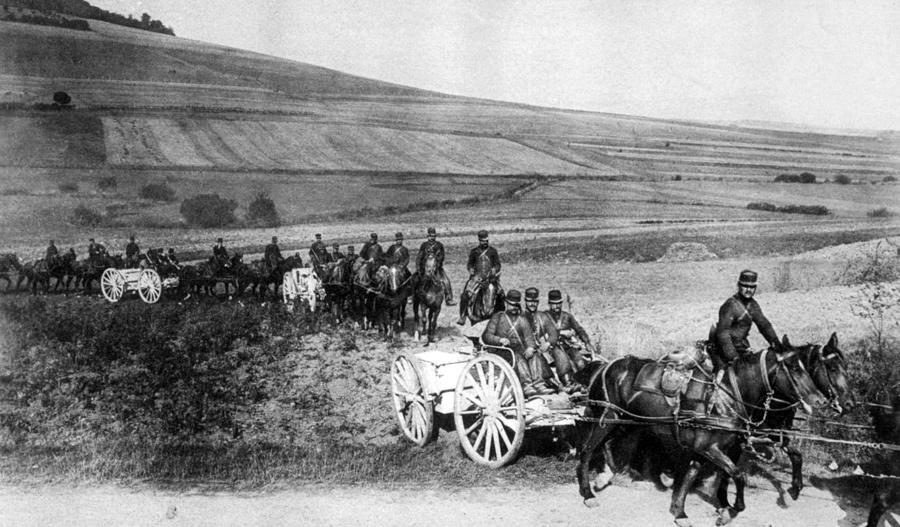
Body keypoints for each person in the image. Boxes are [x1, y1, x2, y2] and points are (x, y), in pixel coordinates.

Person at [710, 270, 782, 383]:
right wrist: (733, 357)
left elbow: (764, 325)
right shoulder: (730, 305)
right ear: (739, 285)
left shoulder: (753, 305)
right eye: (745, 286)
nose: (749, 290)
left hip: (741, 348)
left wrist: (777, 345)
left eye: (752, 287)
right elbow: (723, 334)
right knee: (723, 382)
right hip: (723, 351)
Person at [481, 290, 554, 398]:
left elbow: (529, 338)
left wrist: (530, 347)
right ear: (506, 303)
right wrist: (499, 340)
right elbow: (486, 336)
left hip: (518, 350)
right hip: (501, 351)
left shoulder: (522, 320)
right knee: (518, 357)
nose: (514, 307)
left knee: (535, 355)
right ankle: (527, 386)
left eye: (516, 305)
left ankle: (539, 384)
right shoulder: (498, 317)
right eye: (511, 305)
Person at [546, 289, 596, 389]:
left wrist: (587, 342)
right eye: (554, 304)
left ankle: (584, 385)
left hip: (567, 345)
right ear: (549, 304)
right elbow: (540, 332)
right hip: (551, 347)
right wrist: (561, 333)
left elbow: (579, 329)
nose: (557, 306)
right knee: (562, 358)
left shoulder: (567, 316)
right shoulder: (544, 317)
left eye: (559, 303)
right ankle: (568, 384)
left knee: (579, 360)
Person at [523, 287, 564, 392]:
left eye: (535, 302)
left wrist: (548, 342)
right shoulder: (520, 316)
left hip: (538, 351)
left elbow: (553, 333)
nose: (532, 304)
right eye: (530, 301)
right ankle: (539, 385)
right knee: (536, 357)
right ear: (525, 301)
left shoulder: (542, 317)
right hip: (523, 350)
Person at [458, 230, 501, 325]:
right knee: (466, 294)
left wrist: (495, 269)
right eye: (482, 241)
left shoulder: (493, 251)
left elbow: (498, 264)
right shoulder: (474, 252)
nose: (484, 242)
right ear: (479, 240)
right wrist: (470, 269)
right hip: (477, 278)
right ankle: (463, 315)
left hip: (490, 278)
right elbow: (470, 264)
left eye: (486, 240)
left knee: (501, 294)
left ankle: (500, 314)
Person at [416, 227, 455, 305]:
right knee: (415, 280)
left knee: (446, 281)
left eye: (433, 236)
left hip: (437, 268)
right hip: (425, 268)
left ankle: (448, 298)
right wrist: (418, 268)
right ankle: (413, 297)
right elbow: (419, 257)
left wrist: (437, 264)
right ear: (428, 236)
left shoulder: (439, 245)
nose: (432, 237)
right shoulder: (424, 245)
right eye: (430, 236)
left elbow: (442, 256)